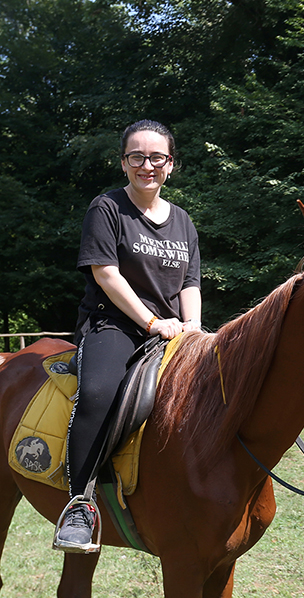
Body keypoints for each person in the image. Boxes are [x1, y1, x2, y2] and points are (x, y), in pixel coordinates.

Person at [53, 119, 202, 553]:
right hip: (114, 325)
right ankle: (79, 505)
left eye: (157, 157)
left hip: (174, 330)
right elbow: (106, 275)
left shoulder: (183, 222)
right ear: (124, 163)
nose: (147, 165)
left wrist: (193, 328)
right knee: (98, 391)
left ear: (171, 164)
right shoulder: (107, 208)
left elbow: (190, 283)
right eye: (137, 156)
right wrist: (153, 323)